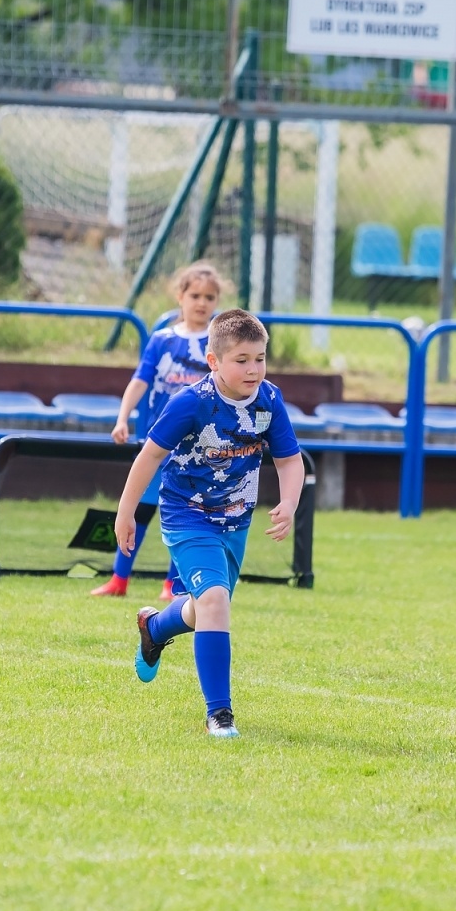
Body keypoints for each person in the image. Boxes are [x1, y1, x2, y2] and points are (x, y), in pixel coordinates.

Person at [115, 308, 305, 739]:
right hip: (187, 516)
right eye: (241, 359)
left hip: (235, 521)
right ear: (214, 361)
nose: (253, 369)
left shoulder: (270, 401)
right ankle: (220, 714)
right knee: (216, 602)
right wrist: (125, 512)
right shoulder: (192, 402)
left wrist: (289, 502)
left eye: (259, 358)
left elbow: (290, 460)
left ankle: (155, 627)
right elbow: (149, 456)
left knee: (205, 610)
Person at [91, 261, 222, 599]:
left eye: (209, 296)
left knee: (188, 512)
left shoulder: (219, 344)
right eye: (194, 295)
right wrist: (122, 418)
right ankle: (119, 580)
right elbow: (140, 381)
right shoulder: (162, 340)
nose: (202, 303)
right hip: (159, 442)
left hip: (200, 448)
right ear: (179, 296)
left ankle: (172, 586)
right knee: (143, 508)